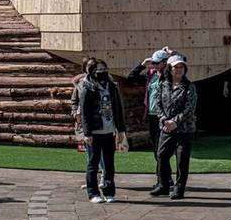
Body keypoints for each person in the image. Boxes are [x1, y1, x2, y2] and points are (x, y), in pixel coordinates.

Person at [72, 60, 126, 203]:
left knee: (109, 163)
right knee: (93, 163)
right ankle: (93, 193)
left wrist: (120, 130)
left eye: (104, 68)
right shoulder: (87, 87)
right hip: (94, 132)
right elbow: (85, 112)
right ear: (92, 71)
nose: (102, 72)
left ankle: (109, 192)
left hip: (109, 130)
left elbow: (118, 108)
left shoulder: (112, 86)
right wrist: (87, 133)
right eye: (99, 69)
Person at [152, 54, 197, 200]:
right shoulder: (163, 85)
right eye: (176, 67)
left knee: (181, 160)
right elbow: (158, 104)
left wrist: (175, 122)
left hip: (184, 129)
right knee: (161, 155)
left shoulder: (189, 86)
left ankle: (179, 188)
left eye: (181, 67)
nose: (179, 69)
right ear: (169, 69)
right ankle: (163, 185)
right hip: (166, 128)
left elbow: (189, 108)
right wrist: (165, 120)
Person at [127, 48, 171, 191]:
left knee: (161, 150)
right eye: (154, 62)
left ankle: (162, 180)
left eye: (157, 63)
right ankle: (166, 178)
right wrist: (142, 64)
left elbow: (182, 62)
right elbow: (131, 77)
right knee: (157, 149)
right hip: (152, 116)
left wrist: (172, 54)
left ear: (165, 63)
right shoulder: (150, 76)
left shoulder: (169, 76)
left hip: (163, 117)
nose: (155, 65)